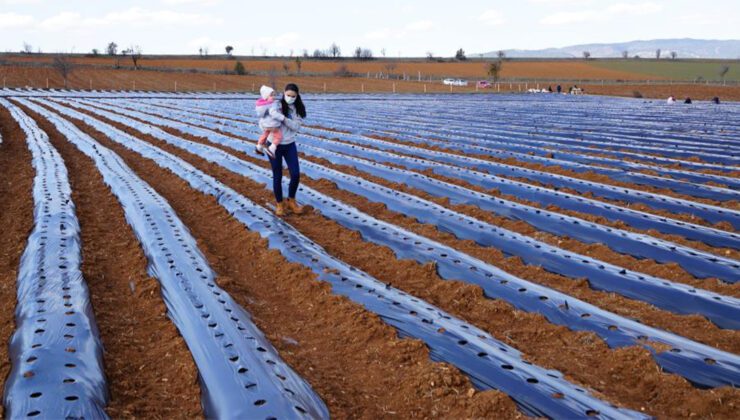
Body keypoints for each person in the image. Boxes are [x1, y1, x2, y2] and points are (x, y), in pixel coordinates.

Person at [267, 83, 307, 217]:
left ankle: (291, 200)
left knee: (295, 174)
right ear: (284, 93)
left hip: (289, 144)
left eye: (293, 96)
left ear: (297, 96)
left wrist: (283, 118)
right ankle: (279, 204)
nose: (290, 98)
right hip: (274, 144)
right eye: (288, 95)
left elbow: (296, 126)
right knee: (277, 175)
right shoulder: (276, 105)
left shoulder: (297, 109)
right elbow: (268, 118)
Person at [255, 85, 285, 159]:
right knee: (279, 137)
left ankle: (259, 146)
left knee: (265, 134)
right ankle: (272, 148)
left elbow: (261, 115)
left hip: (265, 125)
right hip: (273, 125)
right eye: (271, 95)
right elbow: (275, 113)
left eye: (274, 95)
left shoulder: (260, 106)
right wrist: (282, 116)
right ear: (266, 96)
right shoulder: (271, 104)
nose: (273, 97)